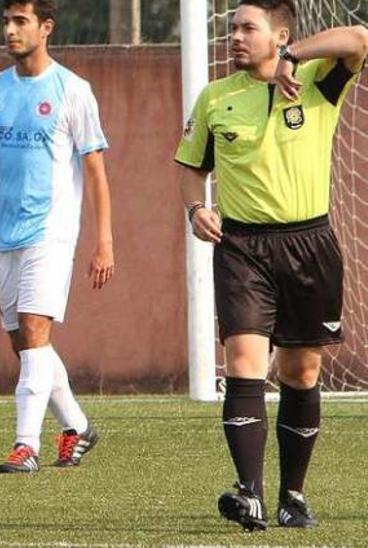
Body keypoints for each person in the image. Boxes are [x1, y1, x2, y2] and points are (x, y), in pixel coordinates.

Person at [174, 0, 368, 531]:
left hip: (310, 245)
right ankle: (250, 494)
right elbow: (191, 167)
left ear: (279, 35)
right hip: (242, 248)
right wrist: (196, 209)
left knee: (301, 372)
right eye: (232, 27)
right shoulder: (215, 98)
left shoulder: (318, 81)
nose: (235, 36)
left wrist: (294, 57)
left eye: (247, 28)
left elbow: (359, 37)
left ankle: (293, 496)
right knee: (243, 362)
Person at [0, 0, 113, 474]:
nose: (10, 31)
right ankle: (77, 425)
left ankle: (25, 444)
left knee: (34, 333)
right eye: (6, 22)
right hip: (1, 234)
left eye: (20, 22)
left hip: (50, 233)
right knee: (26, 346)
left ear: (45, 28)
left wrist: (104, 240)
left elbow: (95, 172)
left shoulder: (73, 91)